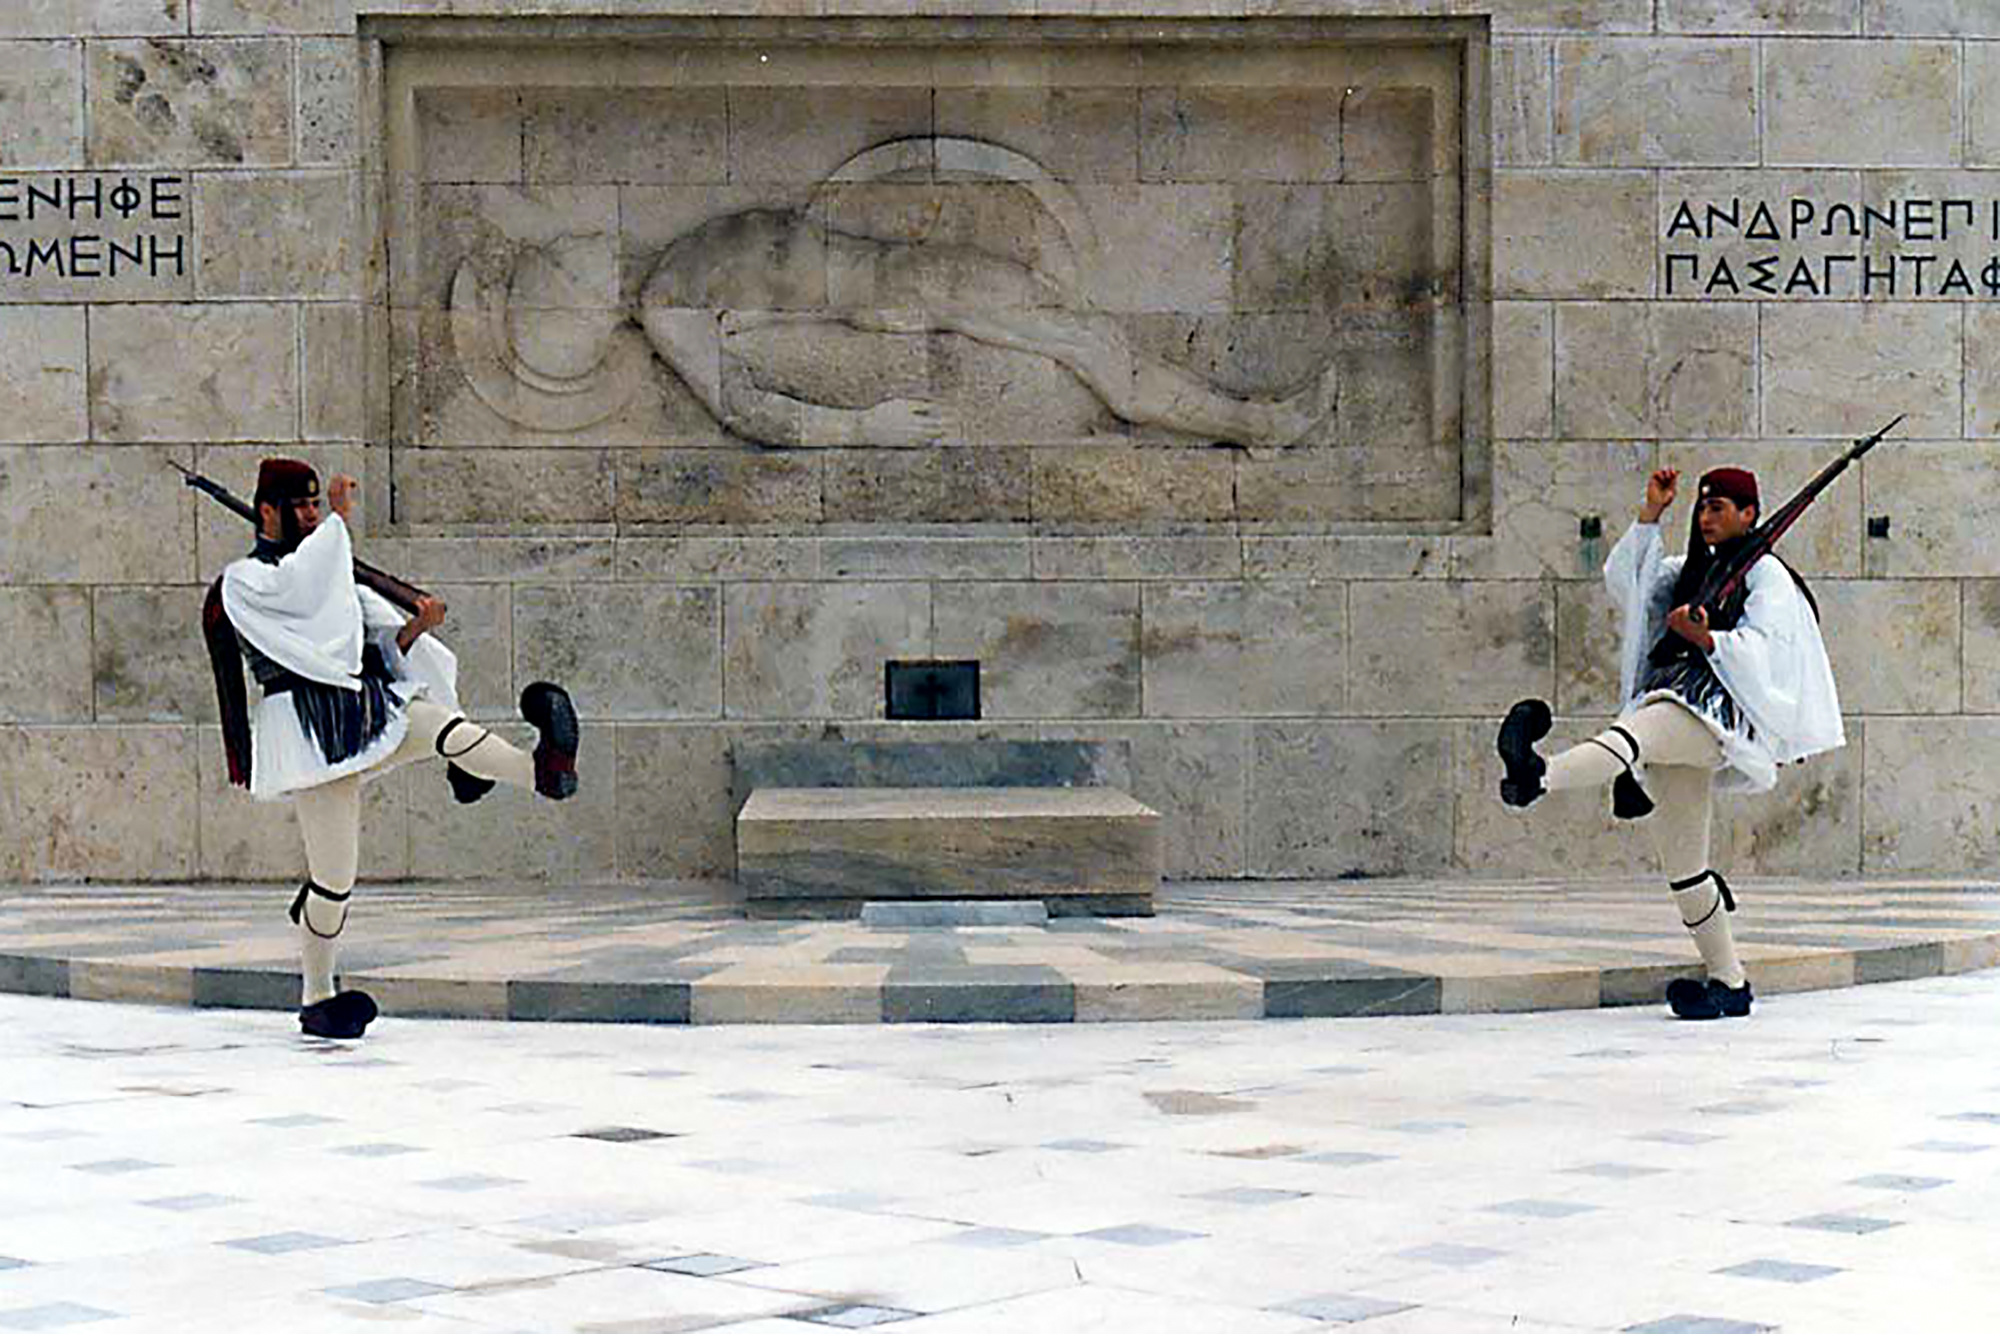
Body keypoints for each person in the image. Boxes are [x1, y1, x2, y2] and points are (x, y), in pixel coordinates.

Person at [209, 459, 579, 1040]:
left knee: (438, 725)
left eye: (316, 505)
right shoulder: (247, 582)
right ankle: (317, 996)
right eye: (301, 507)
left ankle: (544, 770)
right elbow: (305, 606)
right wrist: (338, 525)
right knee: (334, 881)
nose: (312, 516)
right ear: (267, 512)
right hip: (311, 736)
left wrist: (415, 628)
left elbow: (367, 651)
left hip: (362, 710)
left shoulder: (327, 572)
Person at [1494, 465, 1844, 1020]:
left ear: (1750, 514)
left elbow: (1769, 650)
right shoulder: (1694, 569)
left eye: (1719, 507)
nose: (1706, 517)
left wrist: (1706, 637)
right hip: (1678, 706)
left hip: (1714, 716)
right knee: (1685, 867)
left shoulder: (1766, 575)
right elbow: (1631, 583)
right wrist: (1651, 513)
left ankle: (1537, 775)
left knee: (1633, 735)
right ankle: (1730, 983)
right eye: (1702, 507)